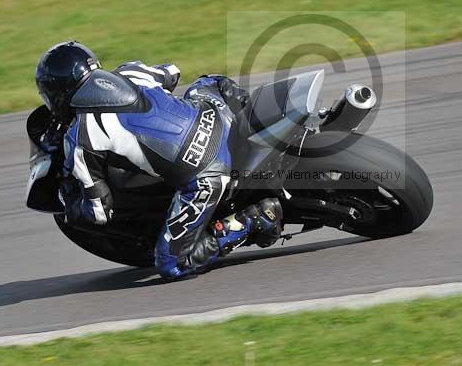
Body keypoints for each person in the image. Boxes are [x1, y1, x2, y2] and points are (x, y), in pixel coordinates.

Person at [34, 41, 282, 279]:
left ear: (58, 93)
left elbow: (100, 212)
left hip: (207, 173)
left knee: (171, 264)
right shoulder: (129, 72)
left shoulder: (81, 137)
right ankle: (259, 121)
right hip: (214, 114)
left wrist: (69, 204)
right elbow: (172, 72)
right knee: (208, 81)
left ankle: (252, 220)